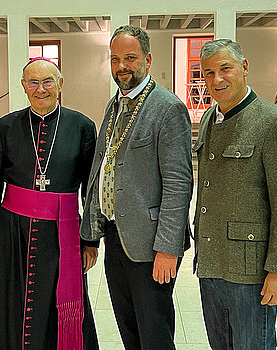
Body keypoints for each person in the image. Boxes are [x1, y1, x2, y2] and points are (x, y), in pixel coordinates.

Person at [81, 25, 193, 350]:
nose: (121, 66)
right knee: (129, 332)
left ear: (147, 58)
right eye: (115, 59)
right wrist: (91, 233)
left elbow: (178, 183)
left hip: (151, 245)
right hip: (116, 238)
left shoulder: (167, 107)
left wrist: (169, 248)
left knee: (154, 336)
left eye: (130, 58)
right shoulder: (114, 106)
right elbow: (101, 170)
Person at [0, 57, 99, 350]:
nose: (41, 88)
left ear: (60, 84)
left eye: (48, 81)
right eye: (33, 82)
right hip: (14, 233)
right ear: (23, 86)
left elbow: (90, 189)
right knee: (13, 301)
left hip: (63, 234)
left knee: (58, 301)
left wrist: (91, 240)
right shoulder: (6, 126)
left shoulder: (82, 126)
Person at [193, 39, 277, 350]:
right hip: (212, 263)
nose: (217, 79)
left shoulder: (270, 121)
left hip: (251, 271)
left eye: (225, 68)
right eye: (208, 73)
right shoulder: (208, 121)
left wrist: (276, 270)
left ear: (243, 67)